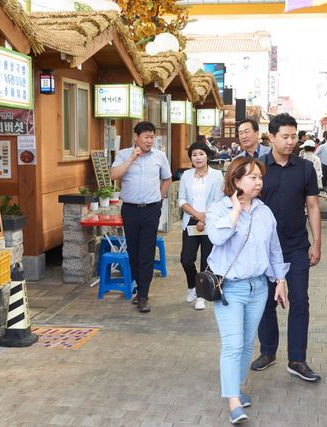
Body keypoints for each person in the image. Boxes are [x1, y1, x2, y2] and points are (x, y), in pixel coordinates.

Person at [206, 156, 289, 425]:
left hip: (258, 287)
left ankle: (236, 389)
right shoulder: (218, 210)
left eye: (260, 177)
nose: (258, 181)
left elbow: (274, 250)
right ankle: (233, 402)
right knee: (232, 344)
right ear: (236, 181)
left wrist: (280, 280)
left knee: (245, 344)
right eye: (252, 177)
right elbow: (216, 238)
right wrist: (234, 211)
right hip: (230, 289)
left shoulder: (265, 211)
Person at [251, 113, 323, 382]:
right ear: (271, 137)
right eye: (286, 136)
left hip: (296, 246)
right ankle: (268, 351)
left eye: (294, 136)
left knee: (300, 300)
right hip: (264, 249)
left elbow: (313, 206)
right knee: (265, 301)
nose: (291, 141)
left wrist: (316, 242)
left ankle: (297, 359)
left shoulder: (304, 168)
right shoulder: (258, 168)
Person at [110, 121, 172, 313]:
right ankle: (139, 288)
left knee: (146, 253)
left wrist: (160, 198)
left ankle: (143, 295)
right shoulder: (123, 154)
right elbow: (113, 175)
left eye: (152, 136)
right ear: (136, 138)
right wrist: (131, 159)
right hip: (130, 209)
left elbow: (167, 178)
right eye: (146, 136)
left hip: (151, 209)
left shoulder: (160, 156)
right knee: (133, 254)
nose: (149, 140)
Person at [178, 142, 224, 310]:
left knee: (206, 260)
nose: (198, 157)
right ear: (191, 158)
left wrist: (204, 219)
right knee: (186, 259)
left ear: (207, 156)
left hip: (210, 221)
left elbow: (219, 201)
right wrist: (197, 215)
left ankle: (201, 295)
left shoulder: (217, 175)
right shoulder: (186, 175)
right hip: (191, 220)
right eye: (194, 155)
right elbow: (181, 200)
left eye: (201, 154)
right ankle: (192, 286)